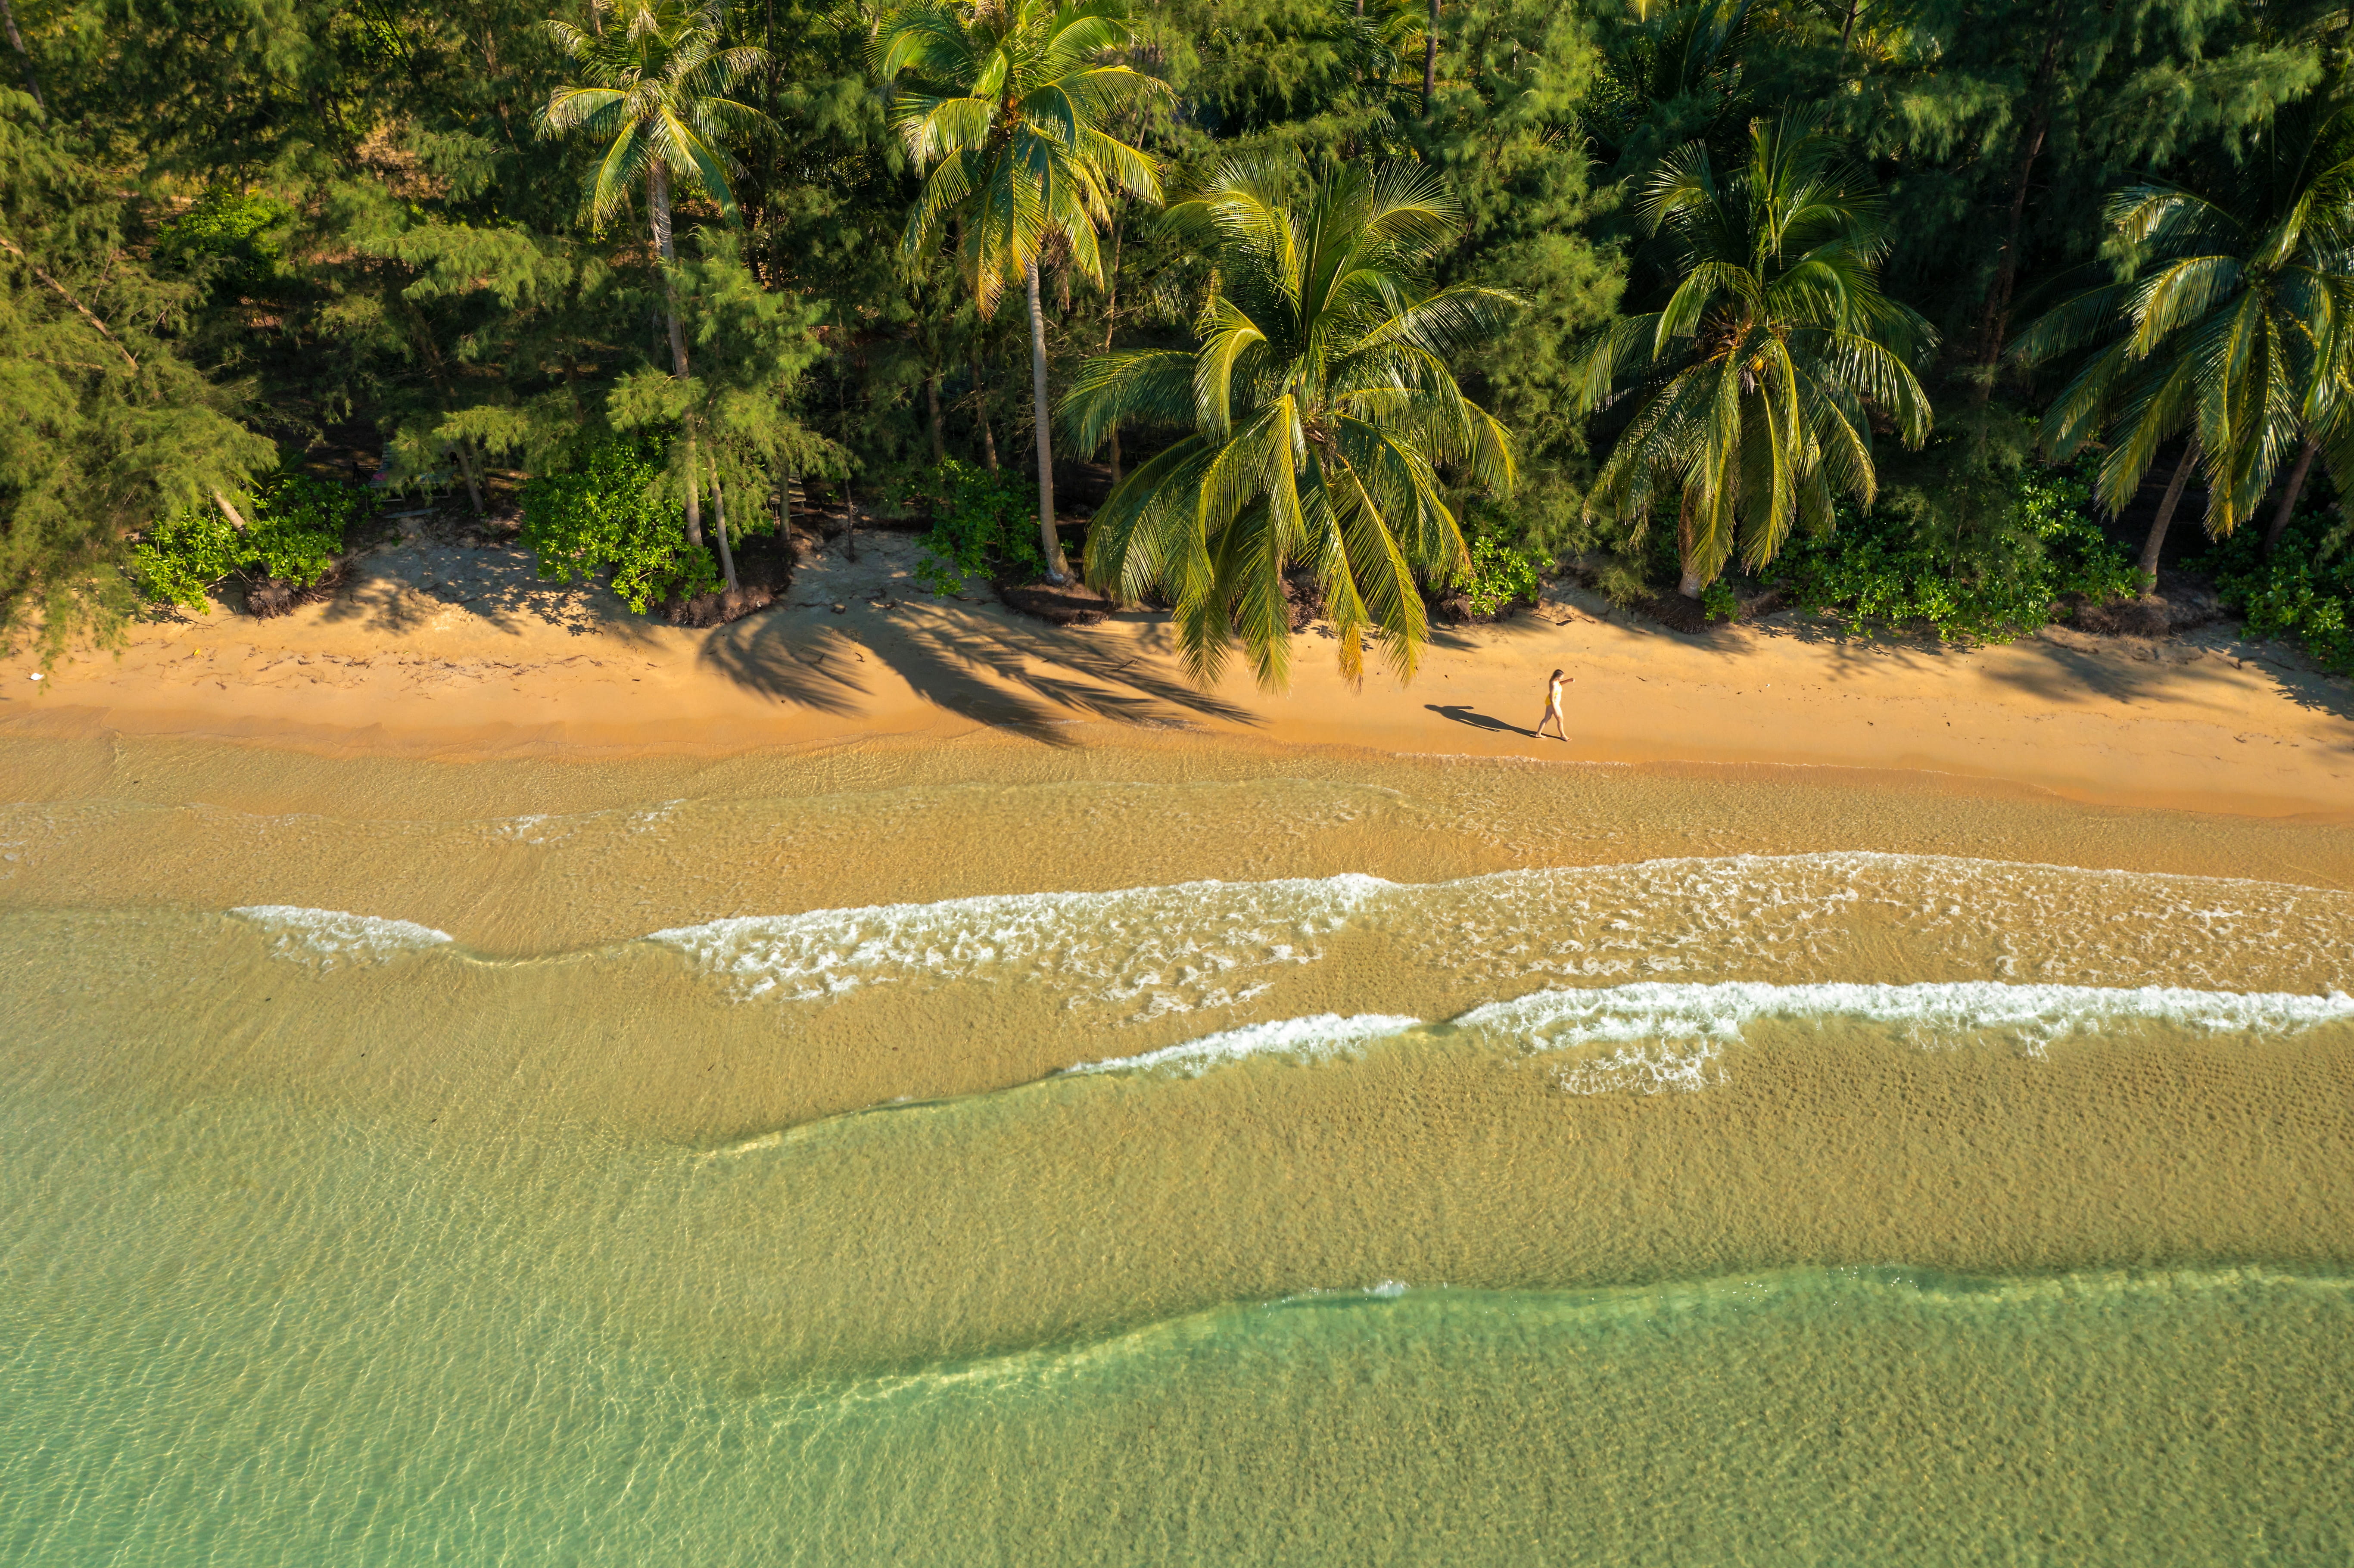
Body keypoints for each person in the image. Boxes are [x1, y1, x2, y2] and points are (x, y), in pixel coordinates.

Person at [1535, 668, 1572, 742]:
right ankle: (1563, 736)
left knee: (1547, 718)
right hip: (1553, 703)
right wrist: (1555, 710)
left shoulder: (1555, 681)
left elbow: (1560, 684)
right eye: (1561, 677)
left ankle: (1538, 734)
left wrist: (1568, 681)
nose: (1562, 678)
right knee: (1560, 719)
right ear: (1557, 676)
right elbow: (1552, 699)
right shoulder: (1554, 685)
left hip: (1551, 702)